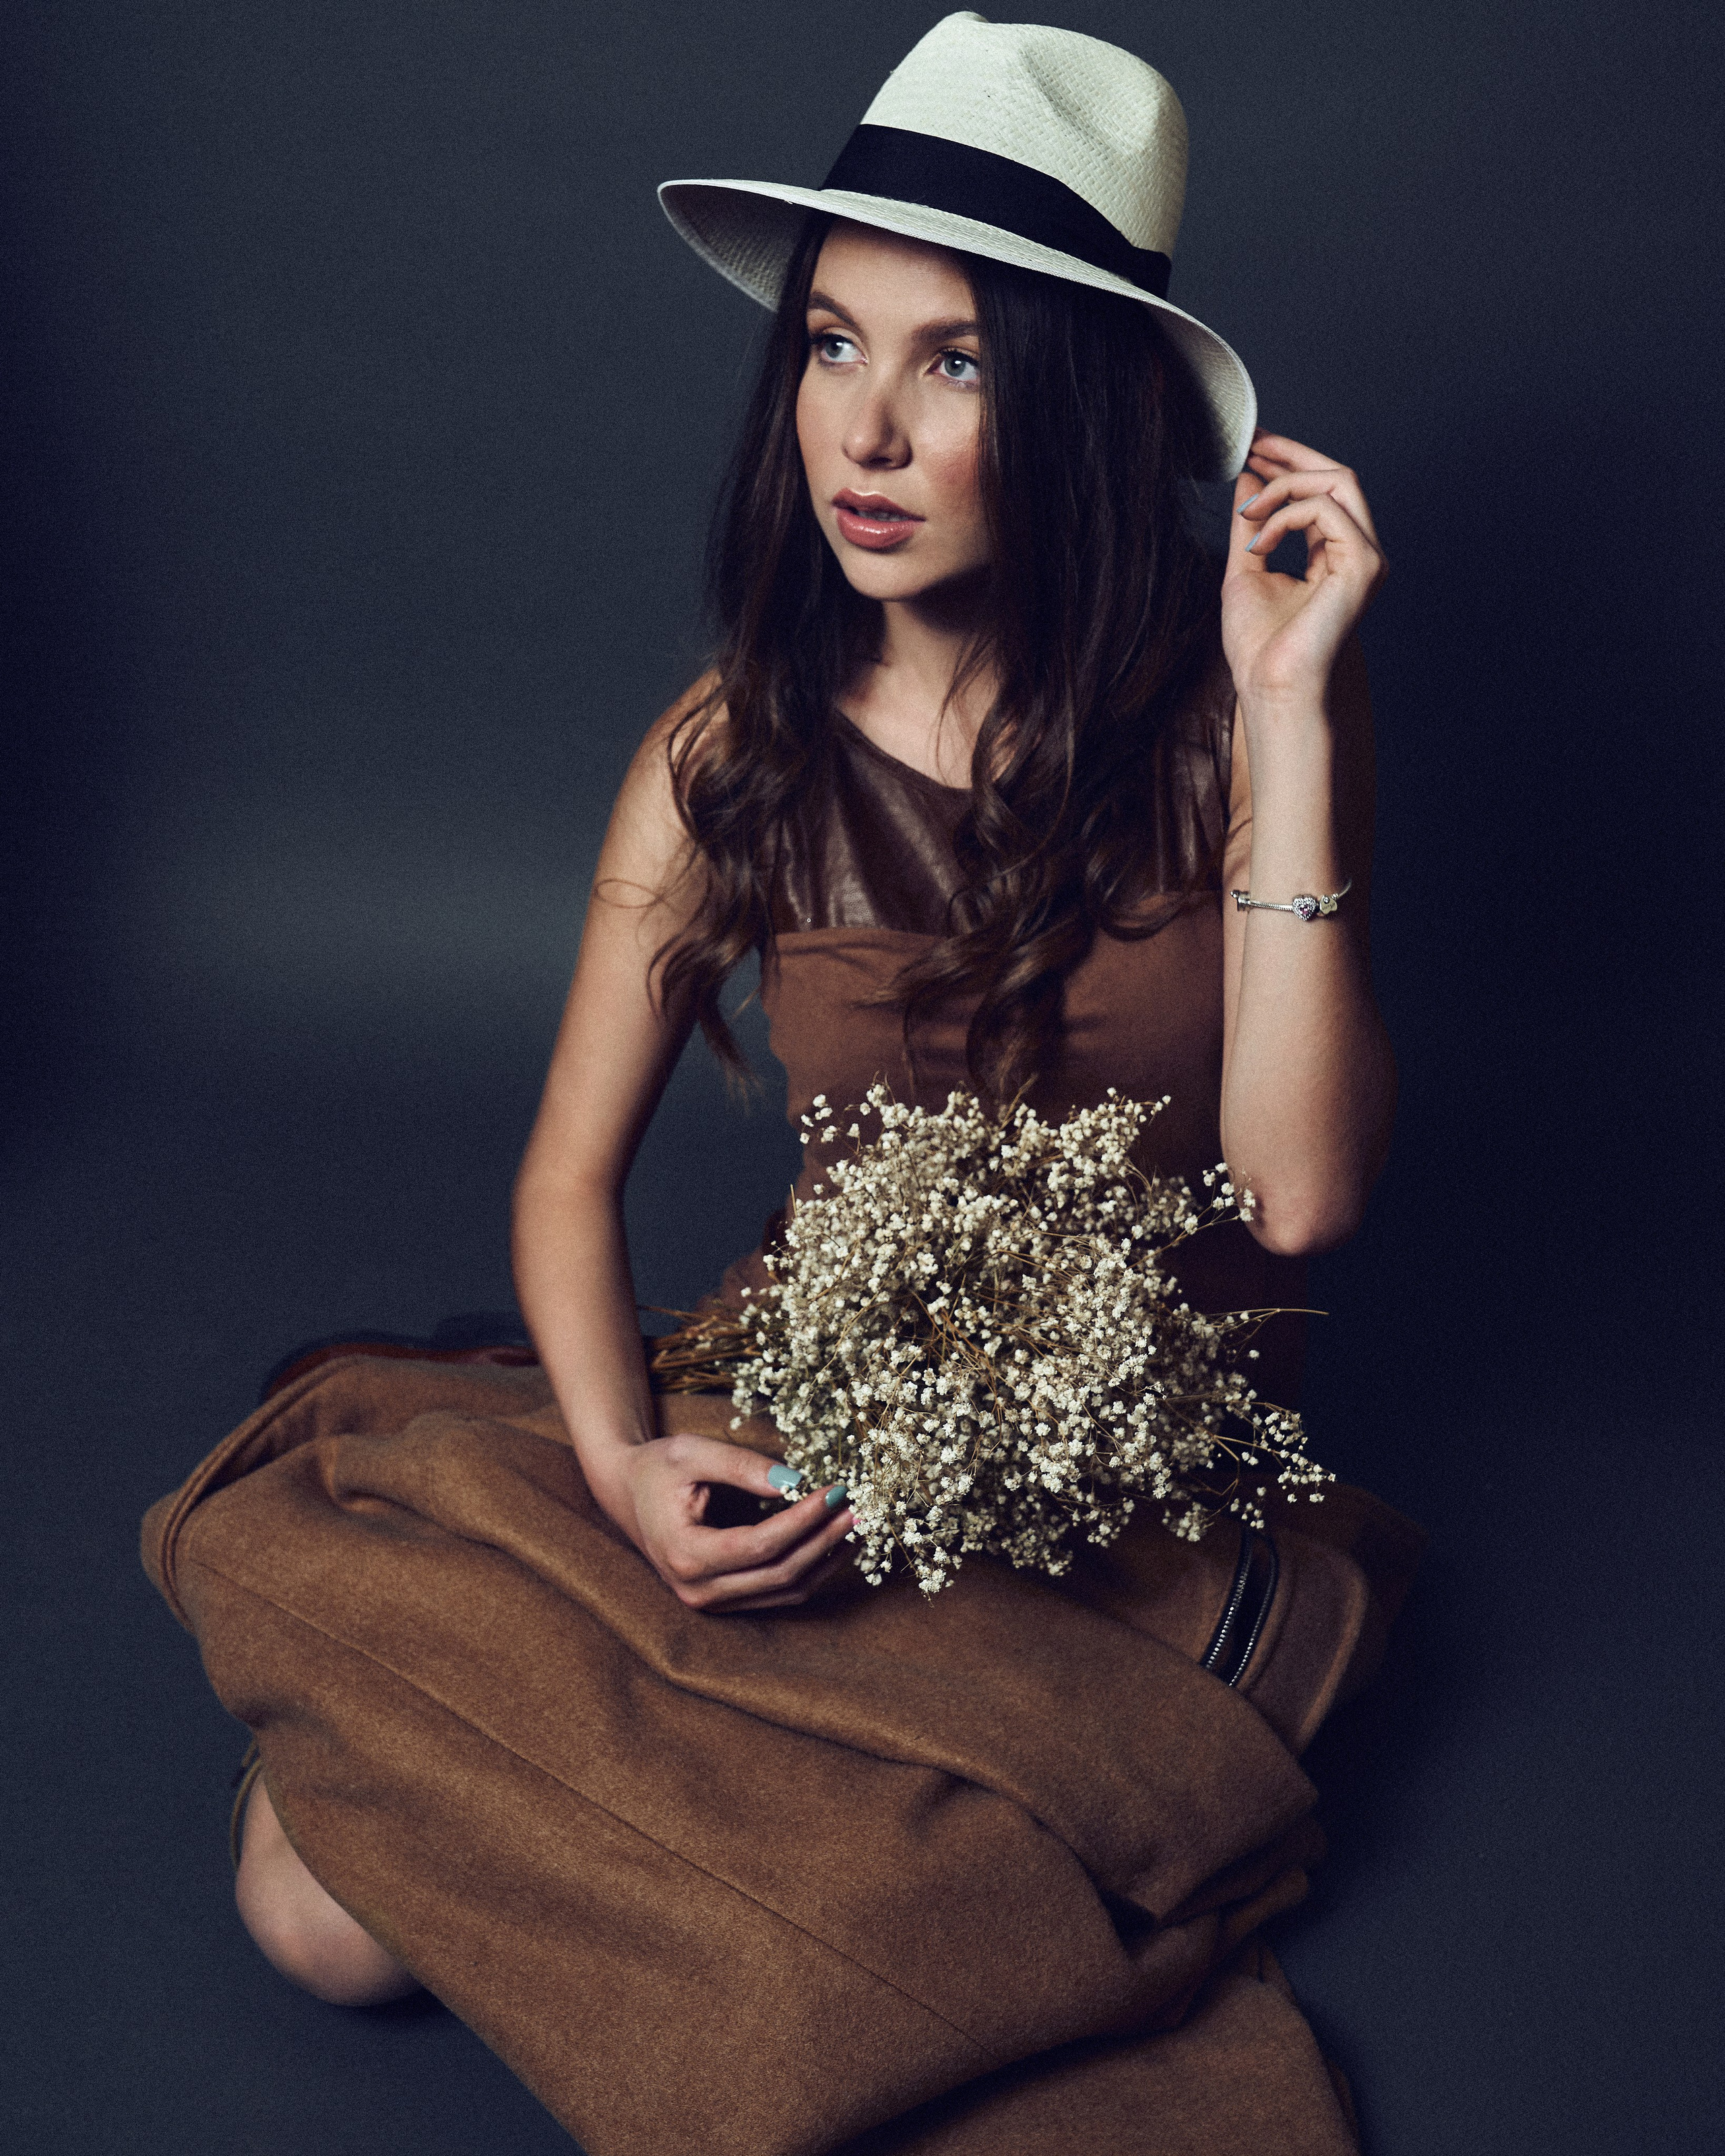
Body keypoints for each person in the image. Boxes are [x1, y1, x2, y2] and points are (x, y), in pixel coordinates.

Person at [146, 18, 1418, 2152]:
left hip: (1122, 1504)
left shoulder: (1243, 719)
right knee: (314, 1920)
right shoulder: (726, 749)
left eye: (957, 364)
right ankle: (572, 1742)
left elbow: (1299, 1200)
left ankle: (651, 1806)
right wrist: (627, 1468)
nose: (870, 431)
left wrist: (1288, 718)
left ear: (1088, 407)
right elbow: (567, 1181)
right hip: (806, 1402)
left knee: (836, 1969)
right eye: (834, 345)